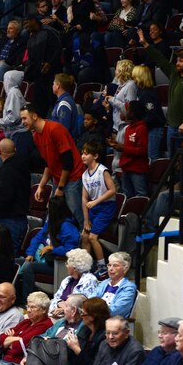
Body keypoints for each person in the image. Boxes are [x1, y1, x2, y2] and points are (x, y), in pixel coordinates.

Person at [23, 104, 86, 226]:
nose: (22, 122)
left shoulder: (55, 129)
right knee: (54, 215)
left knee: (76, 215)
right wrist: (41, 186)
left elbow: (68, 162)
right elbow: (48, 163)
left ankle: (82, 237)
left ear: (34, 116)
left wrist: (60, 188)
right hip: (58, 178)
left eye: (24, 118)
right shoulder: (36, 136)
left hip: (73, 177)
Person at [142, 44, 183, 158]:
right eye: (177, 60)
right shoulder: (174, 74)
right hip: (172, 127)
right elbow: (160, 59)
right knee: (172, 161)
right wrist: (146, 45)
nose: (177, 63)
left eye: (181, 61)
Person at [20, 195, 81, 298]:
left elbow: (71, 249)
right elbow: (38, 238)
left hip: (57, 264)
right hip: (44, 259)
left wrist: (52, 248)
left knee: (28, 268)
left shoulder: (68, 227)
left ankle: (26, 301)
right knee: (16, 262)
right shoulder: (51, 222)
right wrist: (30, 253)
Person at [79, 141, 117, 277]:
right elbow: (84, 199)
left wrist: (95, 201)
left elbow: (112, 190)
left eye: (86, 154)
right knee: (84, 235)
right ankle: (86, 266)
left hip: (106, 206)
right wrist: (86, 220)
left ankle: (102, 266)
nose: (83, 156)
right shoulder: (84, 175)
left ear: (95, 156)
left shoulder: (102, 170)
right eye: (82, 153)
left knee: (92, 237)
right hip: (94, 207)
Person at [110, 101, 150, 197]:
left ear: (132, 113)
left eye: (127, 110)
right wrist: (117, 145)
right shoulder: (128, 128)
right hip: (126, 168)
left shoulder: (141, 129)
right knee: (127, 196)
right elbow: (128, 147)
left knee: (140, 196)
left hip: (137, 169)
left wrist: (123, 148)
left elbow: (142, 150)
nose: (125, 112)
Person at [93, 252, 138, 318]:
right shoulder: (104, 283)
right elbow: (91, 300)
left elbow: (116, 311)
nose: (110, 269)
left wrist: (93, 311)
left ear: (125, 268)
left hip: (112, 321)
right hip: (95, 318)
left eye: (115, 265)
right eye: (109, 265)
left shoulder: (128, 288)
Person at [51, 73, 80, 140]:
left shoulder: (64, 104)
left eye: (53, 84)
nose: (52, 86)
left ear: (58, 86)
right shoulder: (65, 100)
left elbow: (63, 130)